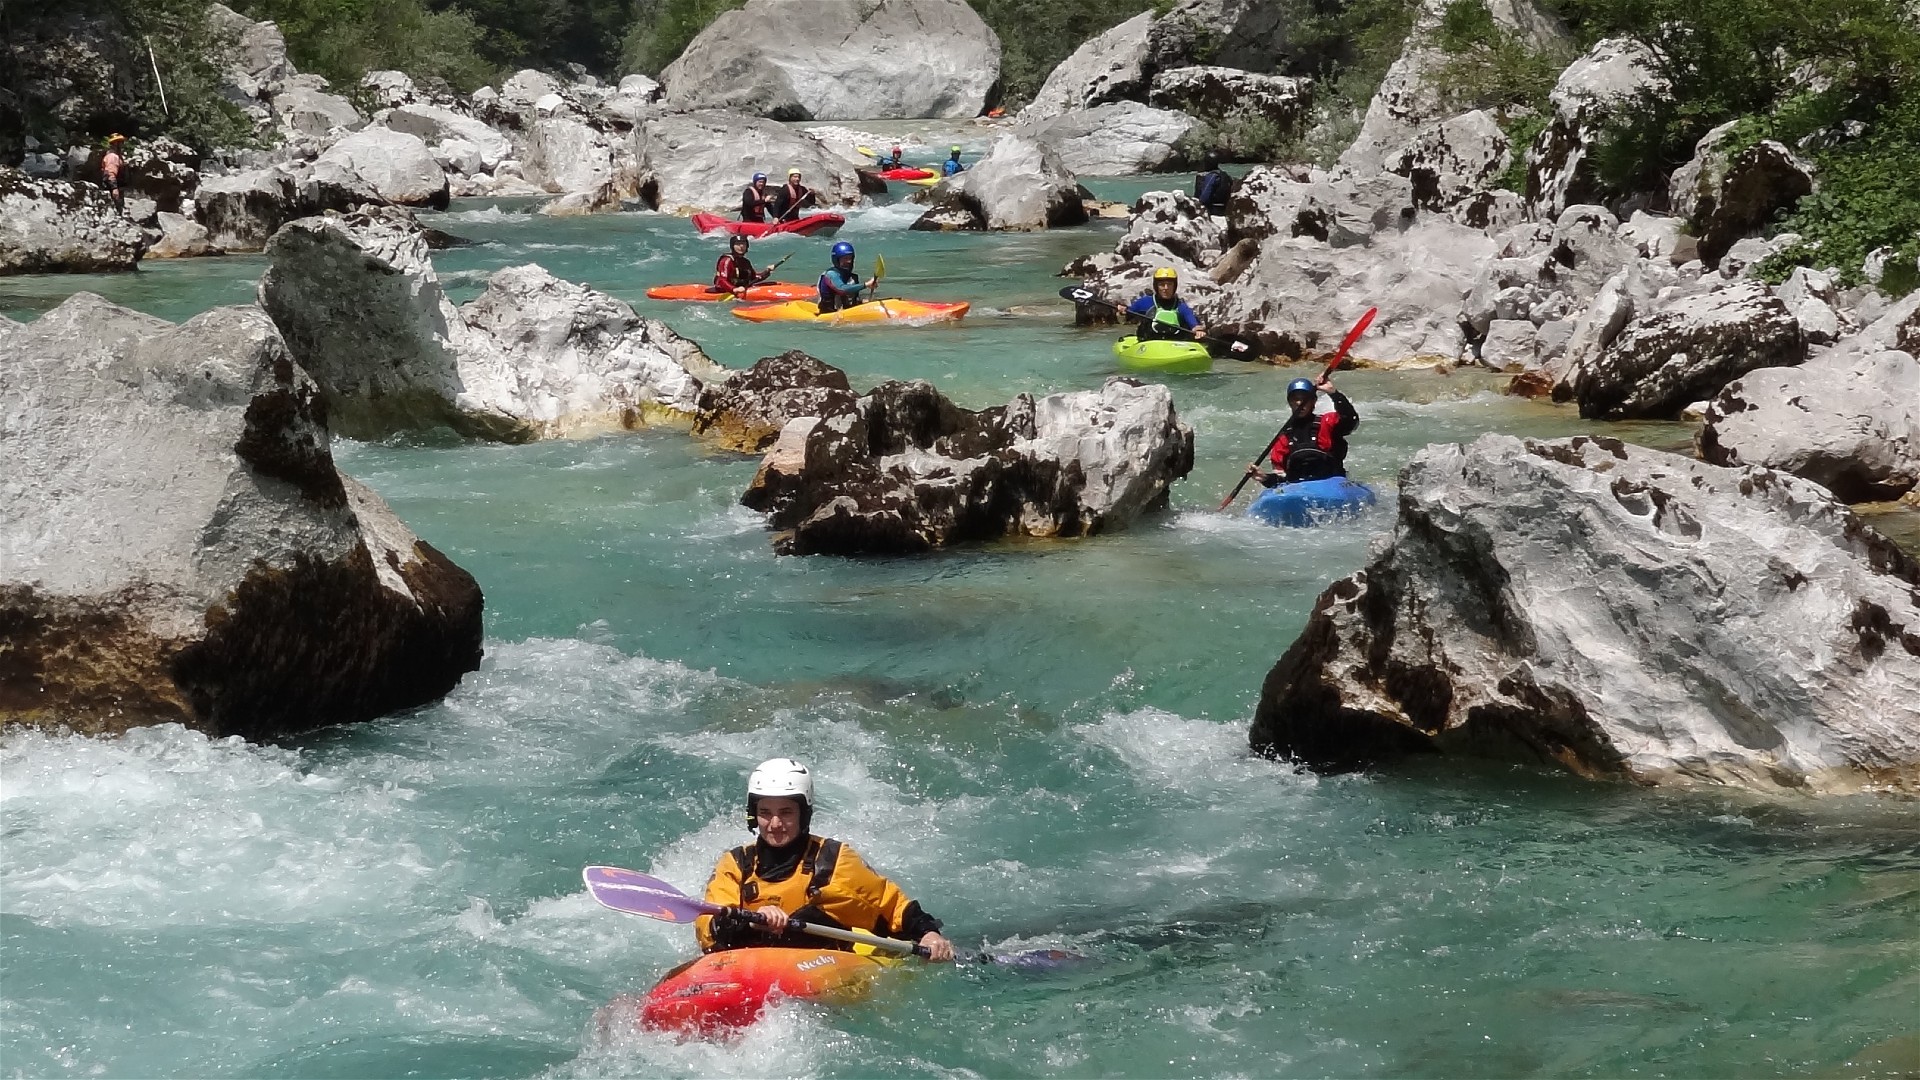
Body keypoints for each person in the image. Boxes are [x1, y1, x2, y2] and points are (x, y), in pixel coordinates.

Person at [696, 758, 955, 963]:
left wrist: (929, 935)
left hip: (816, 960)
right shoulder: (737, 865)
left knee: (814, 917)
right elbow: (709, 929)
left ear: (803, 814)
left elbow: (892, 908)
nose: (774, 824)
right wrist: (752, 919)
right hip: (747, 963)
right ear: (754, 815)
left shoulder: (831, 863)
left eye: (786, 812)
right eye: (765, 813)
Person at [1246, 376, 1360, 485]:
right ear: (1289, 402)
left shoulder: (1327, 422)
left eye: (1304, 399)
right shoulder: (1283, 438)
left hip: (1332, 482)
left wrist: (1333, 393)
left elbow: (1351, 420)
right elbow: (1282, 479)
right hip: (1299, 487)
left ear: (1313, 401)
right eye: (1295, 399)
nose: (1299, 403)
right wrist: (1264, 478)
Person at [1126, 267, 1206, 340]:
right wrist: (1122, 312)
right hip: (1149, 341)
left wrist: (1197, 329)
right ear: (1156, 287)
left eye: (1169, 284)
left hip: (1173, 343)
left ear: (1174, 286)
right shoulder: (1145, 302)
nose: (1166, 288)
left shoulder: (1180, 306)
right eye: (1162, 285)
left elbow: (1191, 319)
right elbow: (1126, 315)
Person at [817, 241, 875, 313]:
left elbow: (851, 300)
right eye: (845, 258)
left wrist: (863, 302)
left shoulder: (852, 277)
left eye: (850, 258)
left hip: (847, 312)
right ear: (836, 260)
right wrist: (866, 285)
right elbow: (842, 289)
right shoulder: (830, 274)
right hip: (830, 313)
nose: (849, 261)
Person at [99, 133, 126, 213]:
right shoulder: (113, 156)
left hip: (116, 187)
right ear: (115, 144)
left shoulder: (116, 156)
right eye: (120, 142)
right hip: (112, 188)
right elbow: (110, 173)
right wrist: (114, 188)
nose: (122, 144)